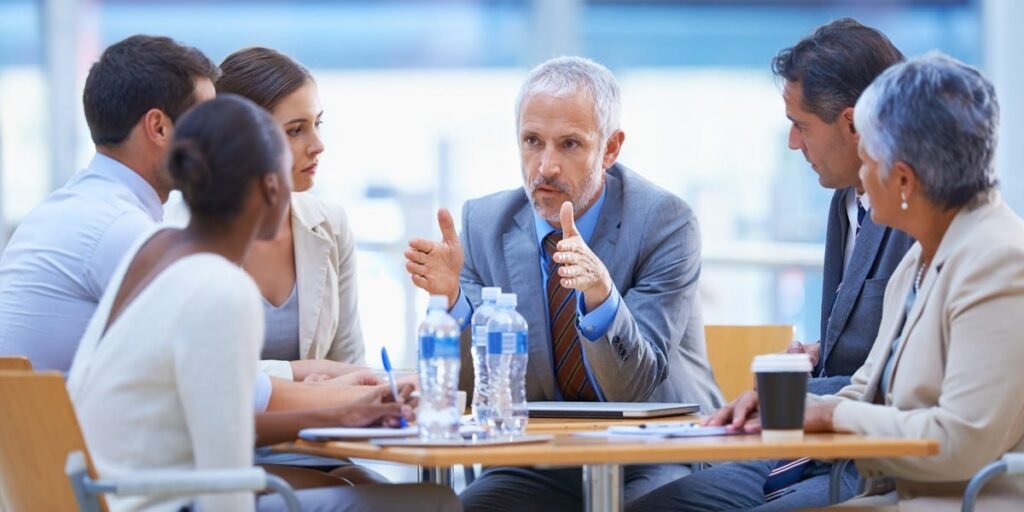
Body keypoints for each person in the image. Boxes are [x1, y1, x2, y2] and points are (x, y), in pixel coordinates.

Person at [67, 94, 460, 512]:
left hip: (103, 495)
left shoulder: (151, 249)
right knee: (433, 503)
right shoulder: (223, 289)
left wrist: (343, 414)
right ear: (271, 188)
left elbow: (224, 424)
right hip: (164, 503)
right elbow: (225, 480)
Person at [404, 55, 722, 511]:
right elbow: (471, 394)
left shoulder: (664, 222)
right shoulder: (483, 224)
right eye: (532, 141)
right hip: (538, 460)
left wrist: (600, 294)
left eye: (569, 144)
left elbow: (632, 387)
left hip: (655, 452)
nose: (546, 166)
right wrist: (451, 301)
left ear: (610, 149)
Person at [626, 19, 914, 511]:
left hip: (870, 458)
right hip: (813, 446)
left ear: (851, 124)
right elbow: (869, 342)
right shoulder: (844, 202)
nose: (792, 143)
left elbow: (908, 377)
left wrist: (793, 395)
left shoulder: (914, 214)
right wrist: (818, 355)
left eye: (801, 125)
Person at [728, 53, 1023, 510]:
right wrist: (792, 406)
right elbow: (865, 389)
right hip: (897, 495)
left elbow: (961, 442)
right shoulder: (920, 259)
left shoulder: (1000, 262)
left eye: (866, 162)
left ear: (903, 179)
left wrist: (832, 415)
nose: (861, 180)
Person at [0, 35, 217, 372]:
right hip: (63, 409)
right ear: (159, 127)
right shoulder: (121, 230)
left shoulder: (65, 208)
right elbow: (204, 369)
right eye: (207, 122)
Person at [216, 46, 365, 377]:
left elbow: (349, 365)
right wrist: (300, 373)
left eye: (317, 123)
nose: (318, 145)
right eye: (296, 130)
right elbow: (202, 373)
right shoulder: (179, 236)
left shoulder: (330, 224)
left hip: (322, 413)